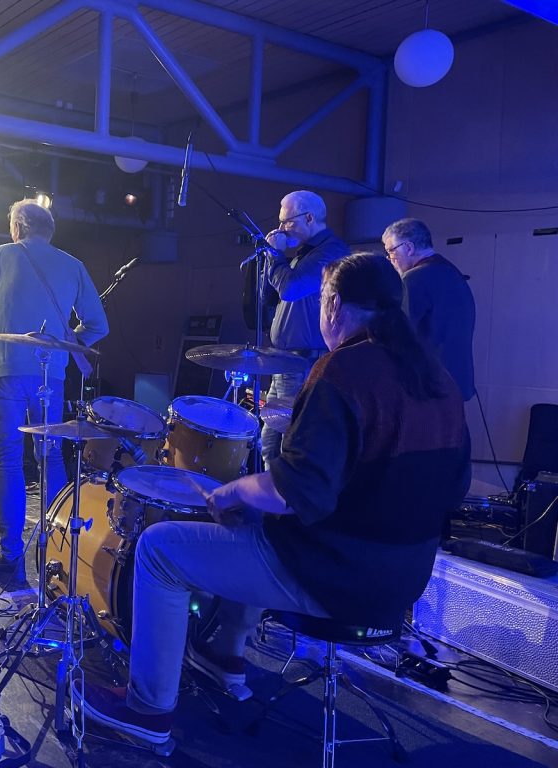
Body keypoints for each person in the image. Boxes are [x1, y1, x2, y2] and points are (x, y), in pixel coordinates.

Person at [76, 253, 471, 745]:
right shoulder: (437, 378)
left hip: (334, 574)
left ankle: (148, 711)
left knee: (159, 550)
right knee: (252, 521)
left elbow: (293, 491)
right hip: (404, 582)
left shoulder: (343, 372)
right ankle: (224, 653)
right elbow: (455, 488)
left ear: (333, 305)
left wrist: (232, 489)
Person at [0, 199, 108, 584]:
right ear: (48, 231)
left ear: (17, 227)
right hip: (49, 376)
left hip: (3, 371)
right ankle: (56, 551)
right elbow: (98, 325)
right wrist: (65, 349)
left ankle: (10, 556)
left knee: (7, 461)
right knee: (50, 458)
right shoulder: (73, 265)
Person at [260, 190, 349, 465]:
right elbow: (272, 295)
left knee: (290, 441)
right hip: (285, 361)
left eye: (287, 221)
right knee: (270, 443)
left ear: (309, 218)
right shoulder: (303, 255)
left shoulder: (330, 252)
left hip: (304, 361)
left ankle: (288, 490)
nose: (281, 228)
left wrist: (276, 254)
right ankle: (272, 488)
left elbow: (291, 288)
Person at [382, 218, 475, 401]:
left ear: (408, 248)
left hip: (427, 386)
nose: (390, 259)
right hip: (457, 382)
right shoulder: (453, 273)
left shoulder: (413, 279)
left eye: (391, 251)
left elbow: (400, 336)